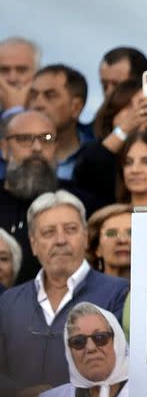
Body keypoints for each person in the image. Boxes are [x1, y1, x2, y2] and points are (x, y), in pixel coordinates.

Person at [0, 191, 128, 397]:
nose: (60, 240)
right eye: (48, 232)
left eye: (70, 229)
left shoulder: (119, 293)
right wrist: (17, 395)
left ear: (86, 237)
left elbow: (122, 366)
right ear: (33, 243)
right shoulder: (8, 301)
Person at [0, 111, 102, 284]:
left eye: (46, 138)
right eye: (24, 139)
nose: (37, 148)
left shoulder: (83, 203)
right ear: (4, 148)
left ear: (56, 146)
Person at [73, 79, 147, 206]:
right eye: (128, 107)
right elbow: (87, 170)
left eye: (143, 106)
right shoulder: (94, 152)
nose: (137, 112)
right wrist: (125, 128)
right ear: (112, 114)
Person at [38, 302, 129, 397]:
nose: (90, 348)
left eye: (100, 337)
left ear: (117, 342)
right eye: (78, 342)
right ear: (69, 351)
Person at [27, 64, 93, 180]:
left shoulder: (96, 156)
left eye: (50, 96)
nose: (38, 104)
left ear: (76, 107)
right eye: (33, 95)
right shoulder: (12, 152)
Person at [86, 204, 132, 279]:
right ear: (97, 248)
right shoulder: (79, 290)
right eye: (111, 233)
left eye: (131, 232)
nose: (122, 240)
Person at [0, 36, 39, 116]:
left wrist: (14, 111)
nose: (12, 79)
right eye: (4, 70)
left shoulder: (49, 114)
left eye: (22, 70)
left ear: (37, 74)